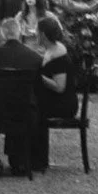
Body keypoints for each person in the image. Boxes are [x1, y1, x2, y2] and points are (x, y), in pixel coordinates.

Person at [0, 17, 43, 176]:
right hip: (25, 109)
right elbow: (38, 89)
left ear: (2, 34)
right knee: (22, 110)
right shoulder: (34, 57)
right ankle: (18, 160)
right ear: (19, 33)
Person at [33, 16, 76, 172]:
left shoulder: (58, 54)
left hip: (63, 104)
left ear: (43, 34)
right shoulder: (50, 50)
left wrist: (38, 77)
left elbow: (60, 87)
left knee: (34, 110)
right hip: (53, 100)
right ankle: (36, 157)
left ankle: (38, 159)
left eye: (36, 31)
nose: (34, 34)